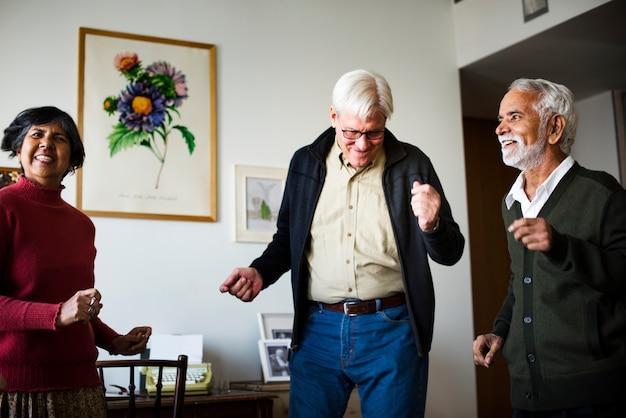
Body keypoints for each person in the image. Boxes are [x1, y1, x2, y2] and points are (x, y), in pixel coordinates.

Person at [220, 69, 465, 417]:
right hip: (317, 330)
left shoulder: (413, 164)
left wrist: (432, 224)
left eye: (374, 133)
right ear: (333, 116)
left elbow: (451, 252)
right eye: (351, 132)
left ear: (385, 122)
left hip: (391, 331)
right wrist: (260, 271)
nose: (362, 144)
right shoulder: (305, 163)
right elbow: (287, 238)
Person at [472, 78, 626, 417]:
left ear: (553, 127)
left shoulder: (602, 192)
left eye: (513, 117)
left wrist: (561, 247)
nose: (500, 129)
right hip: (527, 393)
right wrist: (500, 331)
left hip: (591, 392)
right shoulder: (510, 203)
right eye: (500, 119)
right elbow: (521, 280)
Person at [0, 106, 153, 418]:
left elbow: (78, 309)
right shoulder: (4, 207)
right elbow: (63, 311)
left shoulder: (82, 224)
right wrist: (57, 314)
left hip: (82, 386)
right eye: (36, 135)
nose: (46, 143)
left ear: (72, 158)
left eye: (59, 138)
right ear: (18, 147)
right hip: (18, 389)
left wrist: (115, 341)